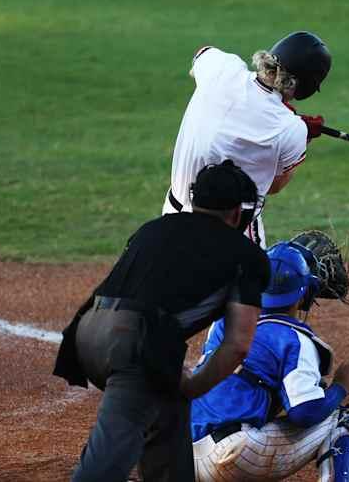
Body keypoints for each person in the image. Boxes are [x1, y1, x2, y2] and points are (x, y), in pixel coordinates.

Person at [53, 160, 271, 482]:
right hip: (133, 346)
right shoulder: (247, 255)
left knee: (169, 411)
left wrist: (180, 390)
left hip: (84, 332)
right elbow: (237, 345)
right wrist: (194, 386)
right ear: (238, 213)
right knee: (108, 459)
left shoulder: (152, 228)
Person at [190, 240, 349, 481]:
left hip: (184, 456)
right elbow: (304, 412)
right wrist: (340, 388)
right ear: (304, 296)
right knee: (345, 418)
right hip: (232, 456)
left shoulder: (224, 321)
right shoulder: (294, 340)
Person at [164, 31, 332, 247]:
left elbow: (201, 55)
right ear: (305, 86)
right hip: (232, 237)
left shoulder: (222, 67)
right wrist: (302, 134)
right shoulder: (290, 129)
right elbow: (274, 185)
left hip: (171, 219)